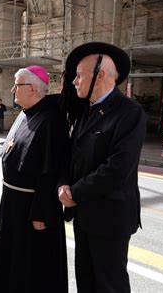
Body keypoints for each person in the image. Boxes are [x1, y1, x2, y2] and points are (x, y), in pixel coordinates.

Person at [58, 42, 146, 293]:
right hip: (84, 214)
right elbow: (71, 156)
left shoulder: (129, 112)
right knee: (85, 280)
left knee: (110, 285)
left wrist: (75, 192)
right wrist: (63, 183)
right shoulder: (86, 111)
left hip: (110, 219)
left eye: (79, 75)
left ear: (101, 76)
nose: (74, 81)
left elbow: (117, 169)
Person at [0, 66, 68, 293]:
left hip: (32, 209)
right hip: (13, 202)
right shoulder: (26, 112)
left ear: (32, 88)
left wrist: (42, 212)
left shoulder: (51, 120)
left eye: (17, 84)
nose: (13, 89)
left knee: (31, 265)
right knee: (12, 260)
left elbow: (51, 169)